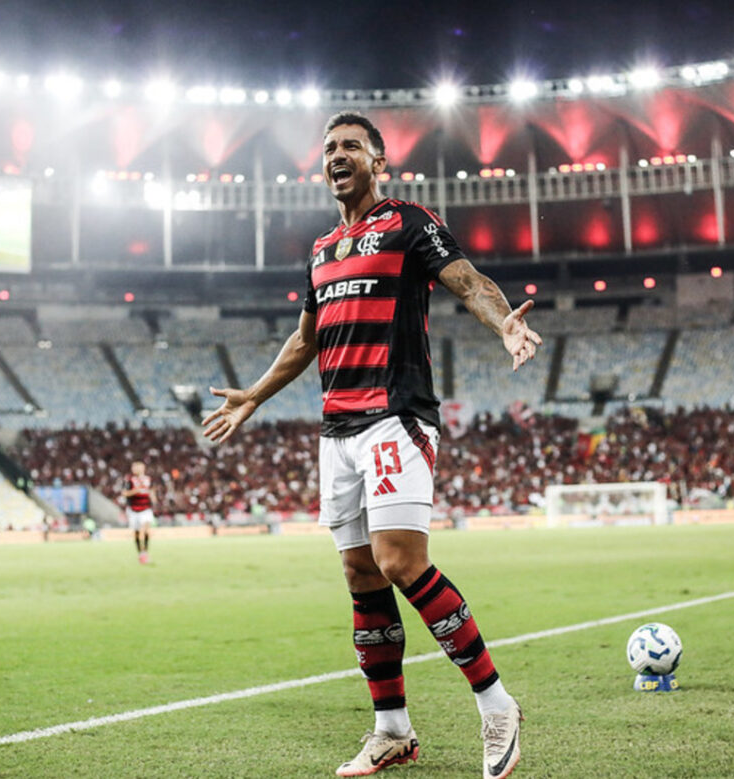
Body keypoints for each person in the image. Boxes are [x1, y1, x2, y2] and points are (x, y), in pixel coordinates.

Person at [203, 112, 541, 779]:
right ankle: (392, 730)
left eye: (351, 146)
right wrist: (253, 395)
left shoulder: (408, 223)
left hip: (395, 416)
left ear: (378, 162)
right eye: (329, 147)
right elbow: (306, 340)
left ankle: (497, 703)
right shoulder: (323, 249)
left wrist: (504, 322)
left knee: (399, 561)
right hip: (337, 430)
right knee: (360, 575)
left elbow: (467, 281)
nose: (337, 154)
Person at [121, 461, 156, 564]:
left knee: (145, 530)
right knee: (136, 532)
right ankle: (140, 552)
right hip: (133, 509)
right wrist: (135, 491)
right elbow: (124, 493)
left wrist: (154, 498)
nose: (135, 469)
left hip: (146, 508)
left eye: (138, 467)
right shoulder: (129, 480)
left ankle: (145, 552)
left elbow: (152, 491)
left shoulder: (148, 479)